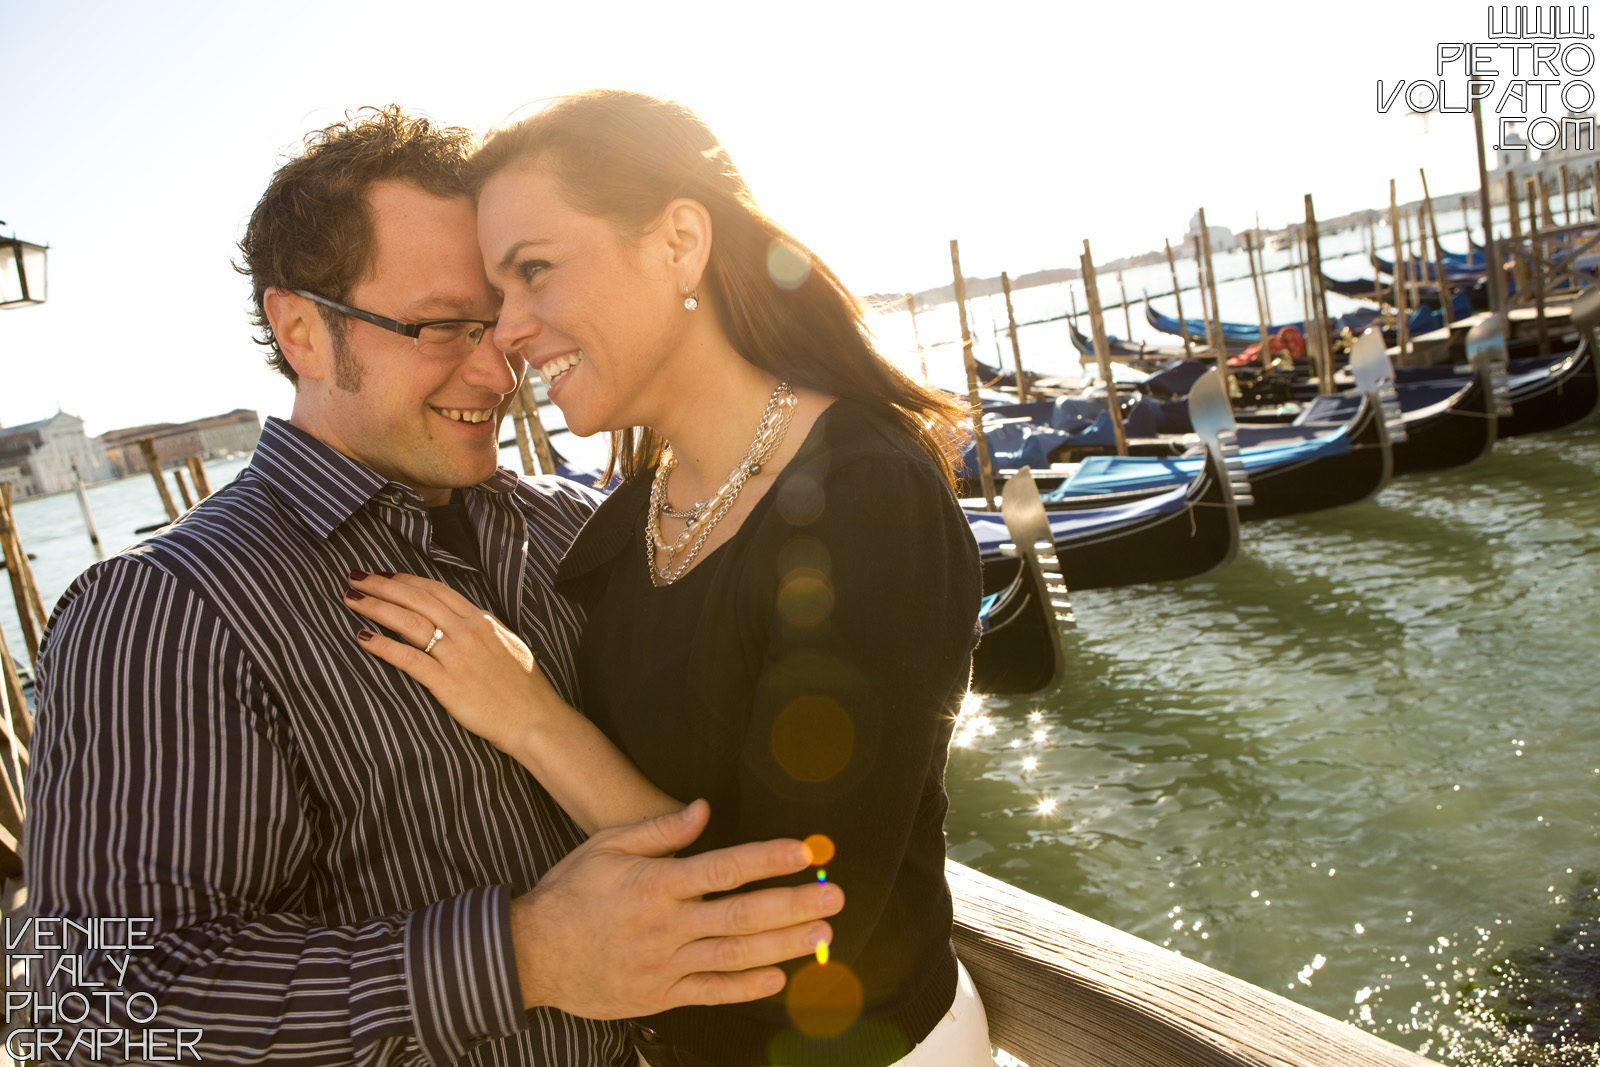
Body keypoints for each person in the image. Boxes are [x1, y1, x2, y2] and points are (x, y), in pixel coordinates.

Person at [20, 106, 843, 1066]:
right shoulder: (166, 611)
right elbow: (93, 1002)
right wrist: (522, 952)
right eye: (446, 325)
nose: (499, 367)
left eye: (500, 321)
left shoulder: (574, 528)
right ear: (304, 332)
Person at [340, 91, 991, 1067]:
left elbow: (793, 925)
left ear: (680, 241)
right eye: (493, 293)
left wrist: (527, 714)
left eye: (535, 271)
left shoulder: (867, 500)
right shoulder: (622, 520)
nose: (507, 332)